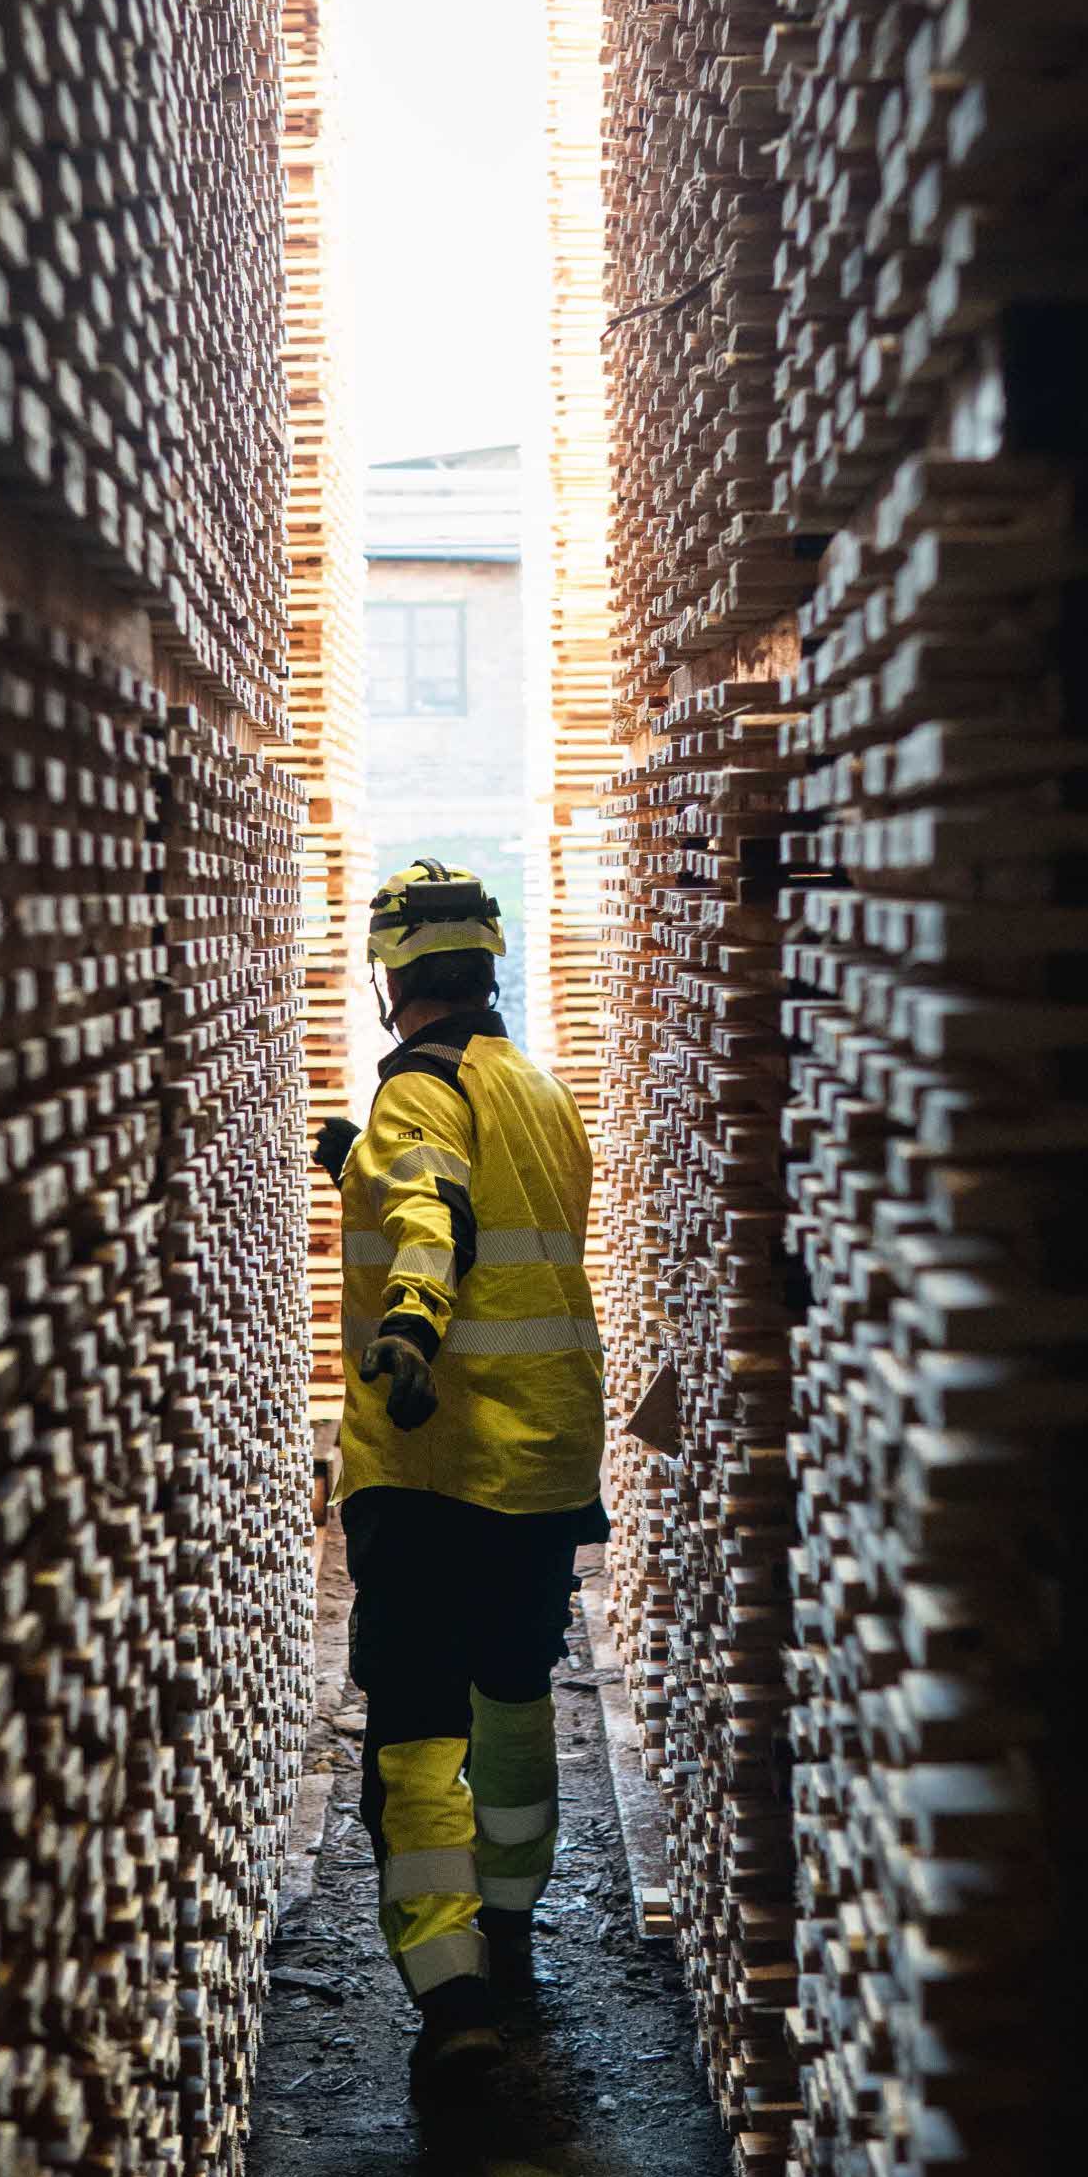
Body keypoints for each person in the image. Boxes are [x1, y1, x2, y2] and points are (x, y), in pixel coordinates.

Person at [311, 860, 606, 2097]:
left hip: (437, 1462)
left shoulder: (416, 1097)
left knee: (416, 1728)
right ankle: (514, 1919)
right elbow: (491, 1211)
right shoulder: (533, 1089)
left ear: (393, 979)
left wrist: (410, 1329)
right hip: (541, 1462)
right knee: (515, 1693)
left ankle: (452, 1995)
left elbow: (436, 1216)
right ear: (488, 963)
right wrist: (354, 1177)